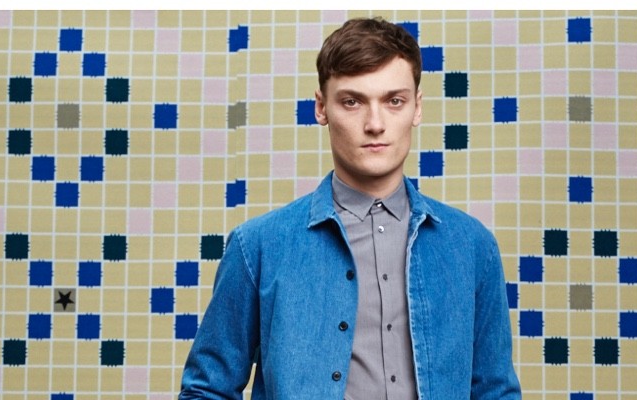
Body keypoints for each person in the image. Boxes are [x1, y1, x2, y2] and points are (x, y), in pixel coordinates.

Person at [179, 17, 521, 400]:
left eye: (394, 101)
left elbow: (496, 391)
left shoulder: (472, 246)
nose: (375, 124)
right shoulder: (257, 246)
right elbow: (205, 390)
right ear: (321, 108)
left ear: (417, 108)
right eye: (352, 102)